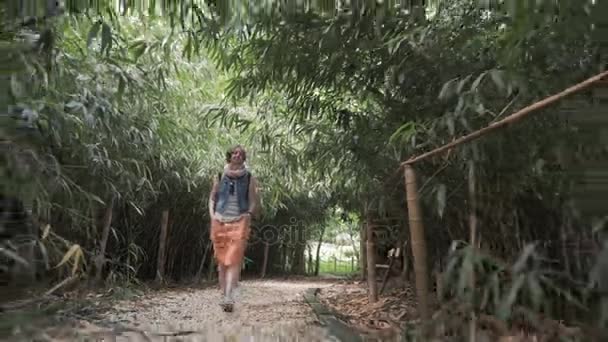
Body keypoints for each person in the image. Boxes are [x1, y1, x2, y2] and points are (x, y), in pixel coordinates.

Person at [208, 145, 259, 312]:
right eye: (234, 153)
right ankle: (225, 295)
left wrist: (249, 214)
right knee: (222, 261)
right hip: (220, 220)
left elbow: (253, 200)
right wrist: (212, 215)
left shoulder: (249, 177)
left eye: (240, 154)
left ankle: (229, 296)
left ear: (244, 158)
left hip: (239, 220)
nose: (237, 155)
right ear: (229, 156)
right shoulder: (219, 175)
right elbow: (212, 198)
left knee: (234, 259)